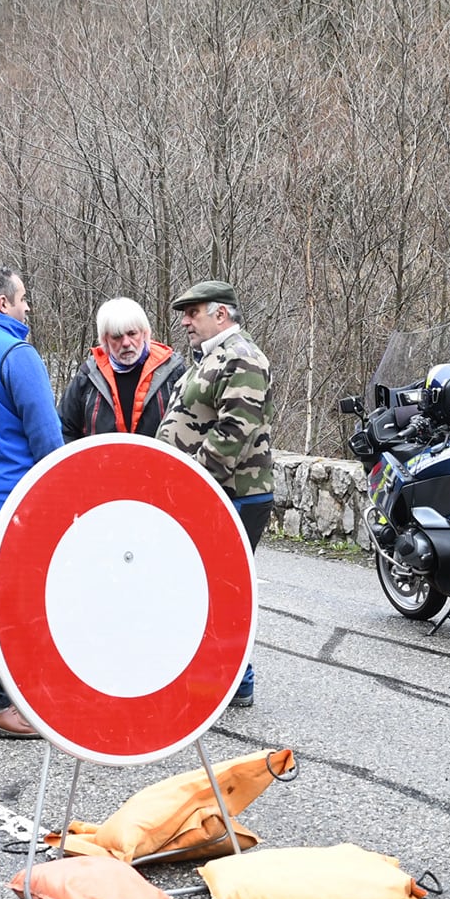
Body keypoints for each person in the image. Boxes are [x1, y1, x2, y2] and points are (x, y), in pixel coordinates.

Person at [157, 280, 273, 709]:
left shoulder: (243, 357)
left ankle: (234, 681)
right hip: (211, 492)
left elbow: (234, 432)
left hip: (234, 493)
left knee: (221, 590)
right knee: (201, 586)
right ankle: (215, 678)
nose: (185, 321)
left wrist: (192, 483)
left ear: (220, 314)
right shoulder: (210, 357)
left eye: (193, 312)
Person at [0, 266, 65, 738]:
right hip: (10, 502)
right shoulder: (16, 353)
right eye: (22, 298)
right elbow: (45, 434)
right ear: (2, 304)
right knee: (9, 599)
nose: (27, 306)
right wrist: (59, 495)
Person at [57, 297, 187, 441]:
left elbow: (190, 428)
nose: (125, 343)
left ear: (144, 333)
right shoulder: (88, 377)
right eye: (117, 337)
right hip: (102, 462)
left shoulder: (173, 372)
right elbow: (64, 430)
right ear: (105, 339)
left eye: (132, 334)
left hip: (160, 462)